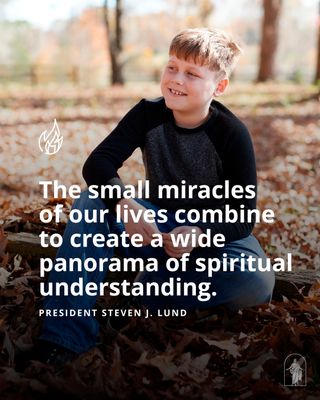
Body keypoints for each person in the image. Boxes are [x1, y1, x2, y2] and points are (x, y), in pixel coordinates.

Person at [34, 28, 275, 366]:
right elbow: (98, 163)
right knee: (91, 201)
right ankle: (64, 335)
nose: (176, 79)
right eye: (172, 66)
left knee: (256, 279)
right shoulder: (148, 113)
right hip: (153, 226)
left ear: (219, 87)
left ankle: (146, 291)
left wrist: (199, 233)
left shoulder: (231, 134)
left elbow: (243, 217)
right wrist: (126, 204)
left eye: (192, 73)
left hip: (208, 241)